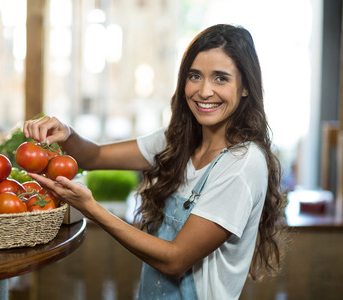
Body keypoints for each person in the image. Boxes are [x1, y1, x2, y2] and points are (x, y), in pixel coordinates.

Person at [23, 24, 284, 300]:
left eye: (221, 78)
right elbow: (93, 156)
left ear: (245, 88)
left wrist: (90, 207)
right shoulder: (178, 140)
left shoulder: (243, 164)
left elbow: (175, 260)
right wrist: (66, 132)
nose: (204, 91)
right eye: (195, 76)